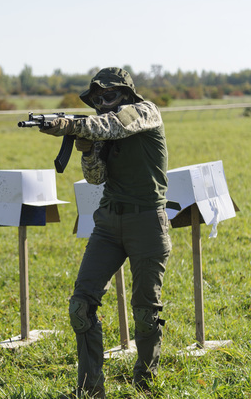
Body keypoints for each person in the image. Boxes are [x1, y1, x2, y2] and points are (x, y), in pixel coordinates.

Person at [40, 67, 172, 398]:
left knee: (145, 313)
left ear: (127, 94)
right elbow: (96, 177)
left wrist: (70, 124)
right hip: (109, 223)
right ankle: (90, 390)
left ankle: (145, 382)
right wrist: (87, 149)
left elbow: (114, 124)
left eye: (109, 96)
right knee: (80, 307)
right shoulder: (103, 129)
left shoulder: (145, 112)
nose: (103, 105)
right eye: (97, 100)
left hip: (146, 223)